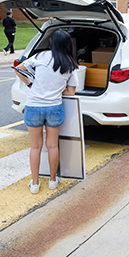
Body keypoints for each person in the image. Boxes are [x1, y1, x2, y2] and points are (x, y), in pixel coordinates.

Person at [14, 29, 79, 194]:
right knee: (52, 146)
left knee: (35, 147)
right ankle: (52, 180)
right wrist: (56, 90)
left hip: (34, 106)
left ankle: (35, 184)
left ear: (53, 43)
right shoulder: (70, 64)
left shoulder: (41, 56)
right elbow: (71, 93)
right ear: (68, 45)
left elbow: (19, 68)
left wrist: (31, 84)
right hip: (54, 108)